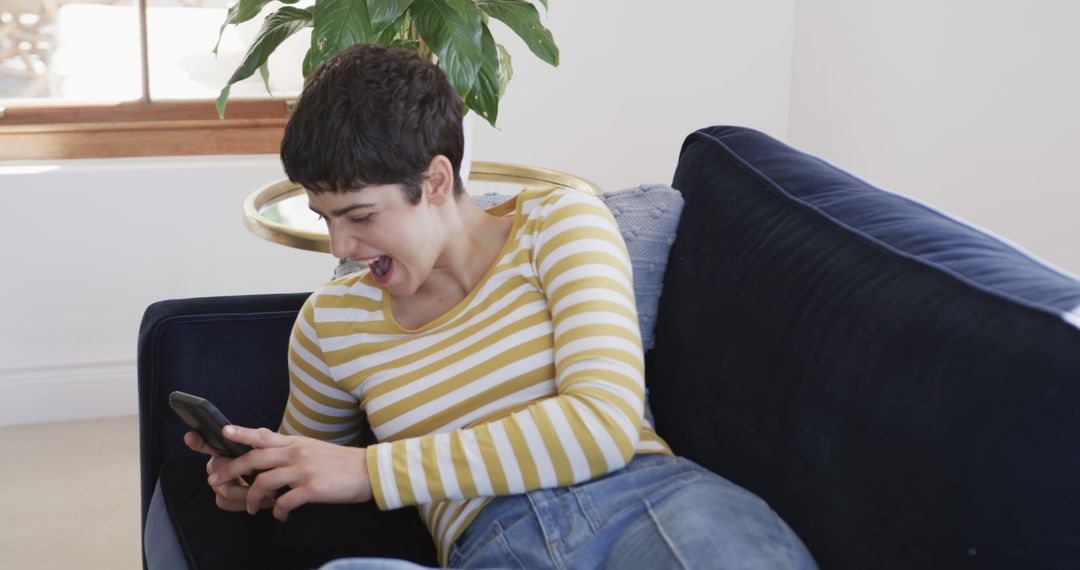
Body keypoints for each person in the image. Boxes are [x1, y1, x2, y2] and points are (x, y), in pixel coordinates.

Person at [181, 44, 817, 569]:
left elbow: (602, 425)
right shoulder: (329, 324)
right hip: (493, 546)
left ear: (433, 181)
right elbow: (314, 471)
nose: (340, 246)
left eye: (360, 216)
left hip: (647, 505)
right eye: (326, 218)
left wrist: (372, 470)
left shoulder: (560, 225)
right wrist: (259, 480)